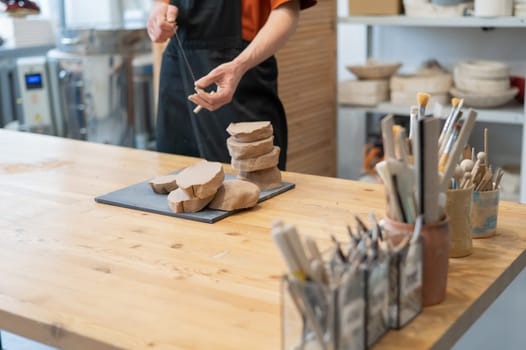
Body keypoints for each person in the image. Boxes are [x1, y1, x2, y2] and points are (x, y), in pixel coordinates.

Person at [147, 0, 316, 170]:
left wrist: (239, 65)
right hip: (178, 62)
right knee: (175, 173)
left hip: (241, 67)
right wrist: (159, 9)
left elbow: (286, 11)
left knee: (251, 178)